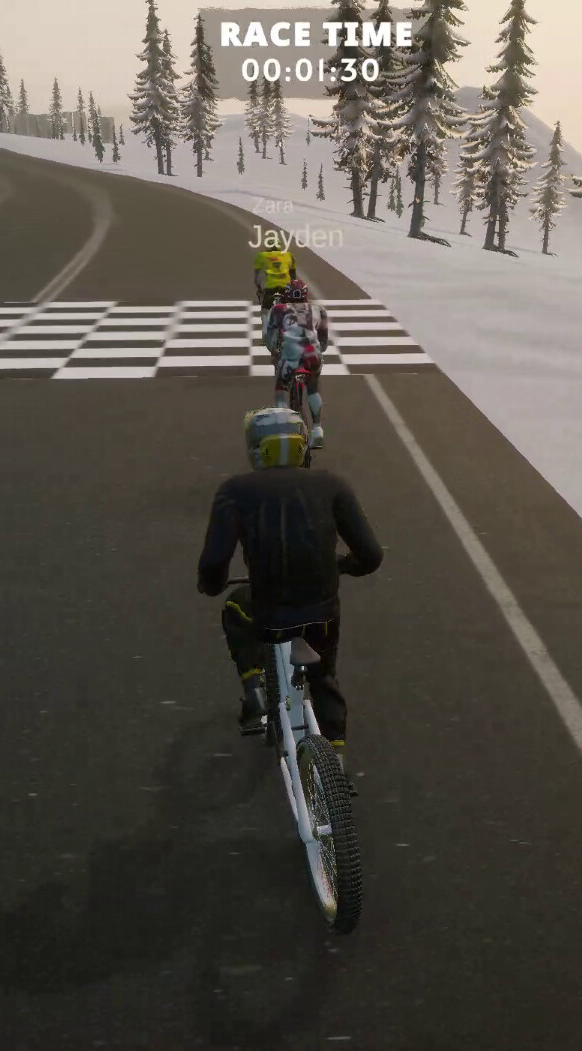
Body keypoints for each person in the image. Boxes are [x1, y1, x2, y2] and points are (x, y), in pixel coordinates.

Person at [197, 409, 381, 771]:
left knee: (235, 608)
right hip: (322, 615)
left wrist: (212, 585)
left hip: (269, 615)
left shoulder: (235, 491)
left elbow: (215, 561)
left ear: (256, 449)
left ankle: (253, 690)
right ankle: (335, 758)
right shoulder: (333, 485)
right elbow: (371, 555)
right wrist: (342, 565)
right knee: (323, 675)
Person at [262, 279, 330, 449]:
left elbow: (269, 337)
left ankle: (283, 424)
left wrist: (274, 351)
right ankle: (317, 429)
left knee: (281, 387)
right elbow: (324, 340)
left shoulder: (278, 310)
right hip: (312, 356)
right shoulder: (318, 310)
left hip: (290, 356)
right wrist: (320, 350)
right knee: (313, 387)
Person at [252, 234, 296, 312]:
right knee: (290, 309)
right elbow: (293, 275)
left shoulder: (262, 256)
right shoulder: (288, 255)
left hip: (270, 287)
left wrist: (259, 289)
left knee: (265, 310)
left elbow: (257, 278)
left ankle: (266, 318)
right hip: (286, 286)